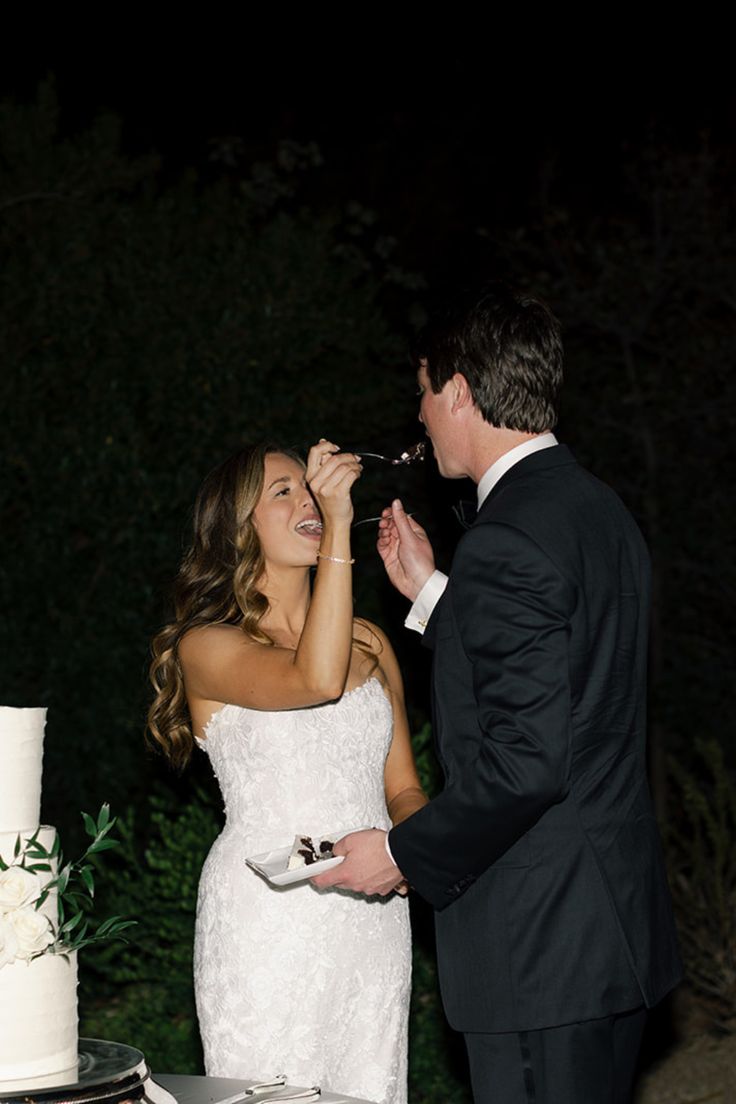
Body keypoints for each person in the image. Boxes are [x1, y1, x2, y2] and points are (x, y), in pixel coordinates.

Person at [312, 285, 683, 1104]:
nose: (419, 418)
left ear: (458, 391)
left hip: (538, 947)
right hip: (605, 929)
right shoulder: (595, 509)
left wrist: (404, 854)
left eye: (422, 393)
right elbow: (565, 675)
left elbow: (526, 764)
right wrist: (434, 593)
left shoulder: (507, 535)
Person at [147, 439, 426, 1104]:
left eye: (311, 486)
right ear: (236, 527)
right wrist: (336, 521)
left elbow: (404, 788)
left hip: (371, 920)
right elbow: (316, 678)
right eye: (283, 491)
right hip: (267, 919)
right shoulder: (207, 645)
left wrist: (414, 850)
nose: (306, 498)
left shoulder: (371, 641)